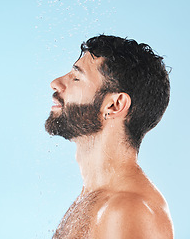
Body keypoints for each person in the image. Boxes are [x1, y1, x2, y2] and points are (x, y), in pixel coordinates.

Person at [45, 35, 174, 239]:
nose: (55, 83)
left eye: (76, 77)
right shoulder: (93, 196)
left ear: (114, 105)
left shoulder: (130, 209)